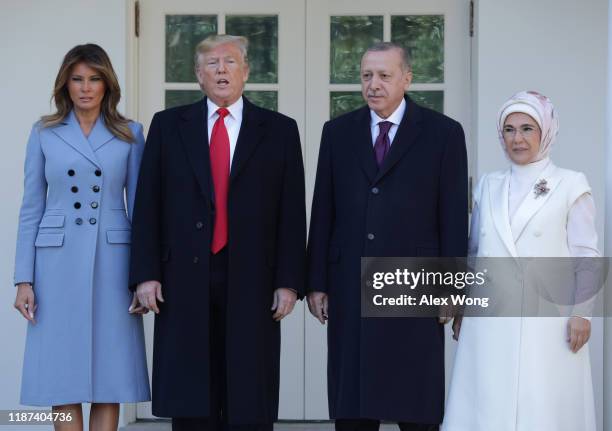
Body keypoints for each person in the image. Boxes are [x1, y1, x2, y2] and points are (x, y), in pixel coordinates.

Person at [129, 34, 306, 431]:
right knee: (191, 391)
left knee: (250, 390)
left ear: (246, 71)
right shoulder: (169, 125)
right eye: (211, 63)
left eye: (229, 62)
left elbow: (292, 212)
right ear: (197, 74)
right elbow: (148, 205)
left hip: (255, 278)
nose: (221, 70)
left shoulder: (279, 129)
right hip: (183, 276)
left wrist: (289, 282)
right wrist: (145, 273)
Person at [306, 42, 468, 431]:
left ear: (407, 78)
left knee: (416, 405)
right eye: (366, 76)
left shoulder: (443, 133)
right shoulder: (337, 132)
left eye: (384, 75)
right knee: (354, 406)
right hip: (348, 282)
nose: (373, 84)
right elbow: (322, 210)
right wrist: (316, 282)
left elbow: (453, 217)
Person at [13, 43, 150, 431]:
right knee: (61, 368)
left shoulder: (130, 134)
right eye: (77, 79)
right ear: (65, 85)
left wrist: (142, 275)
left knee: (110, 372)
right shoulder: (45, 133)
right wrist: (24, 278)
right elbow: (31, 208)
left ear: (107, 85)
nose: (86, 88)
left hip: (114, 261)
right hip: (55, 263)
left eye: (94, 79)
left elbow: (140, 211)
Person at [442, 91, 598, 431]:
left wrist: (581, 313)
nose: (517, 138)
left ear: (546, 131)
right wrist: (461, 306)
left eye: (527, 128)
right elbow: (473, 253)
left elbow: (586, 255)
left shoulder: (570, 184)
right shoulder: (488, 184)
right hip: (490, 319)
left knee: (542, 405)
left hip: (548, 320)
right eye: (509, 130)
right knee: (485, 403)